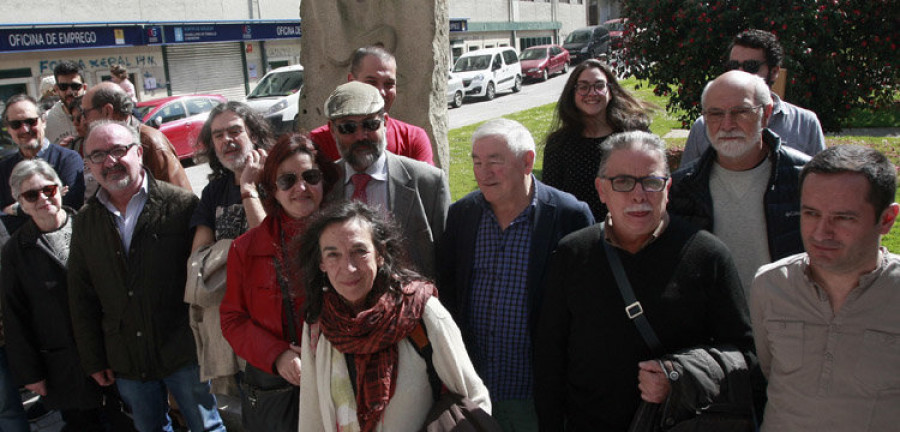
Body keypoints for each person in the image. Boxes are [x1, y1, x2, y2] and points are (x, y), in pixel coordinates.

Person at [535, 131, 755, 431]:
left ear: (668, 188)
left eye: (651, 182)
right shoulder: (572, 253)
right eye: (623, 182)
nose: (639, 195)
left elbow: (744, 356)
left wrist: (680, 377)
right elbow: (550, 355)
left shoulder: (707, 255)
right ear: (601, 190)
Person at [68, 120, 225, 432]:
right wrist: (93, 359)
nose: (110, 161)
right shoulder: (86, 222)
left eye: (118, 150)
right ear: (88, 166)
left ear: (139, 152)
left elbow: (204, 279)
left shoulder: (180, 205)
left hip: (182, 351)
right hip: (126, 358)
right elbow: (80, 295)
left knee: (206, 426)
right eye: (98, 155)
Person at [437, 118, 594, 430]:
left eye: (495, 161)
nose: (483, 172)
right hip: (475, 391)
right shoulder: (462, 216)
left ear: (527, 162)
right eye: (477, 161)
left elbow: (586, 308)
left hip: (537, 394)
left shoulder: (569, 216)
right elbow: (450, 294)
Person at [295, 201, 490, 432]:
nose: (348, 268)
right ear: (321, 264)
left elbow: (474, 401)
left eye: (359, 251)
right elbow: (312, 416)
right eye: (333, 255)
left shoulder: (422, 313)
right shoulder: (320, 324)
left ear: (381, 253)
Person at [750, 145, 900, 431]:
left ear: (887, 219)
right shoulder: (770, 286)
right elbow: (769, 369)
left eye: (843, 218)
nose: (821, 232)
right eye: (811, 214)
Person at [220, 133, 337, 430]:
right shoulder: (246, 248)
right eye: (287, 180)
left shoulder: (349, 237)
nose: (301, 188)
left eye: (310, 176)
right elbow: (233, 319)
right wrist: (277, 355)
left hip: (341, 381)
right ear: (272, 189)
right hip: (278, 394)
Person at [668, 70, 810, 295]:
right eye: (715, 113)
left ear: (766, 114)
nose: (727, 124)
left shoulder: (805, 180)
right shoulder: (681, 188)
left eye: (741, 112)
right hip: (713, 325)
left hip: (790, 320)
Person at [0, 159, 107, 430]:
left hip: (111, 351)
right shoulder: (15, 252)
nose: (43, 199)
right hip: (63, 365)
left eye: (48, 190)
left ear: (61, 189)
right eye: (31, 195)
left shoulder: (92, 225)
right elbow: (15, 315)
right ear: (20, 203)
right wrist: (30, 374)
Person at [185, 101, 275, 395]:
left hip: (271, 323)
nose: (227, 141)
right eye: (218, 135)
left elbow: (267, 246)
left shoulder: (278, 181)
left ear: (254, 135)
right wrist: (237, 254)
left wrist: (250, 186)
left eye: (235, 131)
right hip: (232, 325)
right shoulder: (214, 191)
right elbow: (199, 261)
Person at [324, 81, 449, 278]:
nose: (360, 136)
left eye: (370, 124)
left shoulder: (428, 182)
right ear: (332, 129)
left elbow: (447, 262)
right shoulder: (324, 184)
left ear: (385, 122)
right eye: (348, 128)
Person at [681, 29, 825, 166]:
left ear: (774, 72)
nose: (740, 72)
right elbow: (688, 182)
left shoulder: (804, 123)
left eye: (751, 66)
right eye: (734, 65)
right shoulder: (703, 127)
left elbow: (821, 181)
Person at [543, 59, 654, 221]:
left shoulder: (635, 135)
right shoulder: (559, 145)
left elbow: (655, 182)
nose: (592, 93)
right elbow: (551, 201)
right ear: (572, 93)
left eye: (599, 86)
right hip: (580, 235)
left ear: (610, 90)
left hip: (632, 228)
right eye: (583, 87)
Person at [311, 46, 434, 165]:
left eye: (389, 84)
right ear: (352, 82)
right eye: (371, 82)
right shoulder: (318, 142)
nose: (381, 92)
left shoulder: (412, 139)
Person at [81, 82, 192, 191]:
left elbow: (180, 198)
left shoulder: (151, 142)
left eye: (85, 113)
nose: (84, 120)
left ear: (107, 111)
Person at [0, 94, 85, 233]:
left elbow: (70, 206)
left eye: (31, 121)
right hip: (20, 250)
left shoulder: (68, 160)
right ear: (8, 129)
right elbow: (3, 220)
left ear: (43, 121)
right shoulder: (3, 169)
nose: (24, 129)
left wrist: (15, 209)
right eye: (16, 124)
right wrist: (49, 202)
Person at [44, 61, 87, 145]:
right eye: (63, 87)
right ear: (56, 89)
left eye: (75, 86)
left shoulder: (97, 113)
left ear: (84, 87)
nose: (69, 92)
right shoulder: (46, 120)